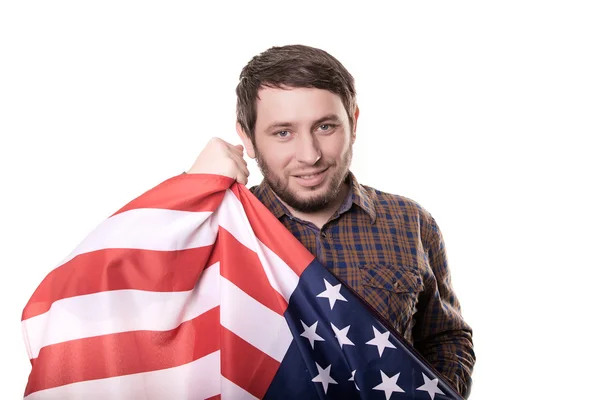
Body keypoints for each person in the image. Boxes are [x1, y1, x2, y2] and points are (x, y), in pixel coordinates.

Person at [187, 44, 475, 397]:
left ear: (353, 123)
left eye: (325, 126)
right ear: (247, 137)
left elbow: (446, 338)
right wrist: (192, 191)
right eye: (283, 133)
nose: (310, 155)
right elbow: (138, 311)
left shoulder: (411, 223)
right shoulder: (216, 227)